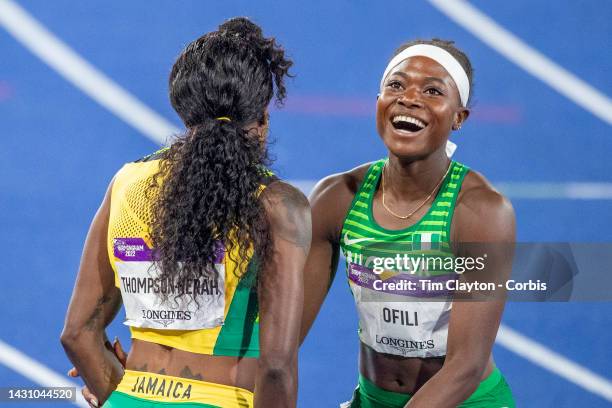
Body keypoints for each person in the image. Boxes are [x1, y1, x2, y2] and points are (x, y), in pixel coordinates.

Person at [61, 17, 310, 408]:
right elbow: (276, 365)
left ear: (183, 110)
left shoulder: (126, 184)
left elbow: (78, 333)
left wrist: (119, 395)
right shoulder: (277, 204)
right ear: (261, 116)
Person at [301, 39, 516, 407]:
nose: (409, 98)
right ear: (379, 101)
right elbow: (284, 335)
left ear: (458, 117)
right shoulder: (337, 199)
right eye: (396, 85)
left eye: (432, 90)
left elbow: (466, 366)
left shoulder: (481, 213)